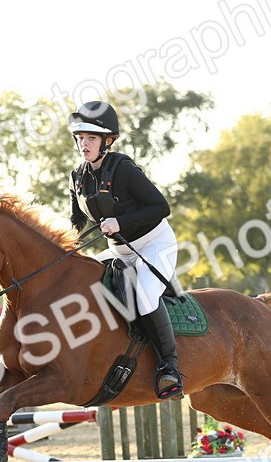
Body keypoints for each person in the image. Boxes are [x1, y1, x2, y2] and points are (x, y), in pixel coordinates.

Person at [67, 100, 184, 400]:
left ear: (108, 140)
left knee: (144, 298)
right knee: (82, 282)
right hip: (119, 251)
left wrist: (120, 221)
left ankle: (169, 367)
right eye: (80, 138)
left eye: (91, 138)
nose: (84, 144)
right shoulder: (77, 177)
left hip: (154, 244)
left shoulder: (124, 169)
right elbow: (77, 221)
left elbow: (161, 207)